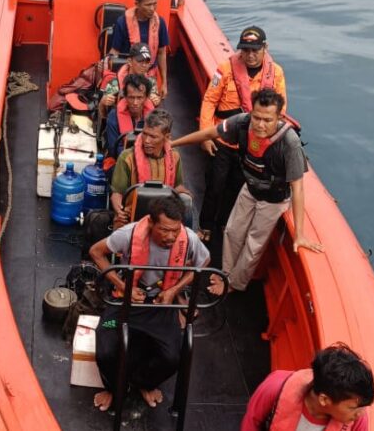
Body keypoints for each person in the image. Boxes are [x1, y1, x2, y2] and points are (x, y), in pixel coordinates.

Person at [172, 88, 323, 292]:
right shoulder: (242, 123)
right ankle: (226, 274)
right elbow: (210, 133)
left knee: (253, 244)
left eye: (267, 120)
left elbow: (298, 188)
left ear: (279, 118)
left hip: (273, 199)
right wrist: (173, 143)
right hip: (250, 188)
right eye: (257, 117)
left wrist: (300, 234)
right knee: (232, 231)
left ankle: (234, 284)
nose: (260, 124)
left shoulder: (289, 144)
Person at [89, 196, 210, 412]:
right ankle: (115, 388)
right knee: (105, 350)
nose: (171, 237)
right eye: (164, 230)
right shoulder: (128, 234)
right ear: (152, 223)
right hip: (125, 302)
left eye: (175, 230)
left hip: (161, 304)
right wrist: (123, 285)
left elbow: (204, 261)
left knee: (172, 358)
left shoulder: (189, 238)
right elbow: (96, 252)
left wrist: (173, 291)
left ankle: (142, 382)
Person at [197, 26, 288, 242]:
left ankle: (224, 224)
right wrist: (206, 134)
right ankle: (206, 225)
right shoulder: (225, 69)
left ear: (265, 48)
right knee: (215, 184)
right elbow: (210, 100)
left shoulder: (276, 73)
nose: (250, 54)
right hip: (223, 139)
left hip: (251, 145)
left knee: (237, 187)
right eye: (245, 50)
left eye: (255, 50)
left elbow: (281, 110)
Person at [241, 343, 374, 431]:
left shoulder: (358, 421)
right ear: (324, 399)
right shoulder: (275, 387)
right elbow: (251, 423)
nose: (361, 413)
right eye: (353, 408)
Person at [109, 108, 193, 229]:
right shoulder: (126, 157)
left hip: (164, 217)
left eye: (153, 137)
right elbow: (117, 193)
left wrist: (184, 194)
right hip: (131, 215)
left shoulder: (175, 157)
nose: (147, 141)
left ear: (167, 137)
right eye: (145, 134)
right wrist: (119, 210)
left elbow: (177, 186)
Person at [109, 0, 169, 99]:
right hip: (127, 73)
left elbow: (162, 53)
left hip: (149, 75)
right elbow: (114, 52)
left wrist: (164, 83)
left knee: (153, 102)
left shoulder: (160, 23)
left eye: (154, 4)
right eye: (148, 5)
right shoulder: (122, 22)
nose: (152, 9)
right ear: (137, 3)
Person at [100, 42, 162, 113]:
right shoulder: (115, 83)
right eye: (140, 61)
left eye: (147, 62)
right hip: (119, 117)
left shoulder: (151, 81)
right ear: (129, 61)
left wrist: (157, 101)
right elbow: (102, 113)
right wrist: (103, 102)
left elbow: (155, 108)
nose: (144, 65)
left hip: (144, 118)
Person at [105, 73, 155, 159]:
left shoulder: (155, 116)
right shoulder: (113, 117)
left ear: (146, 97)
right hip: (122, 159)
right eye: (131, 97)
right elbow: (113, 150)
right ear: (125, 96)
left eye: (139, 98)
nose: (135, 103)